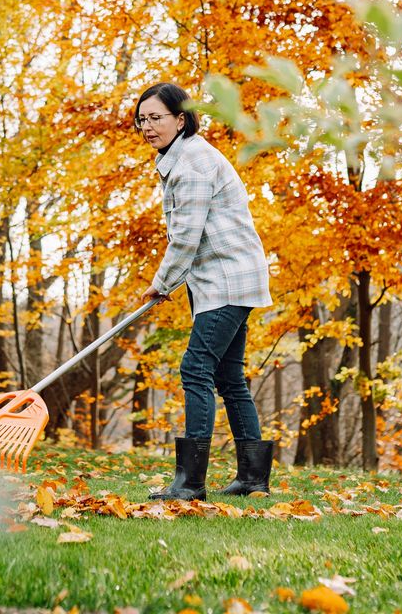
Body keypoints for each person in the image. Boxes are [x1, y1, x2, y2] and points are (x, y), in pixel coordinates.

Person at [135, 82, 275, 501]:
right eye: (141, 120)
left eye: (155, 117)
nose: (147, 127)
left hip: (229, 279)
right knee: (229, 377)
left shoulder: (192, 163)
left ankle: (191, 482)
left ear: (181, 119)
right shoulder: (182, 159)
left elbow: (186, 237)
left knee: (196, 368)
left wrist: (161, 283)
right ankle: (252, 478)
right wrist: (173, 282)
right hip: (220, 281)